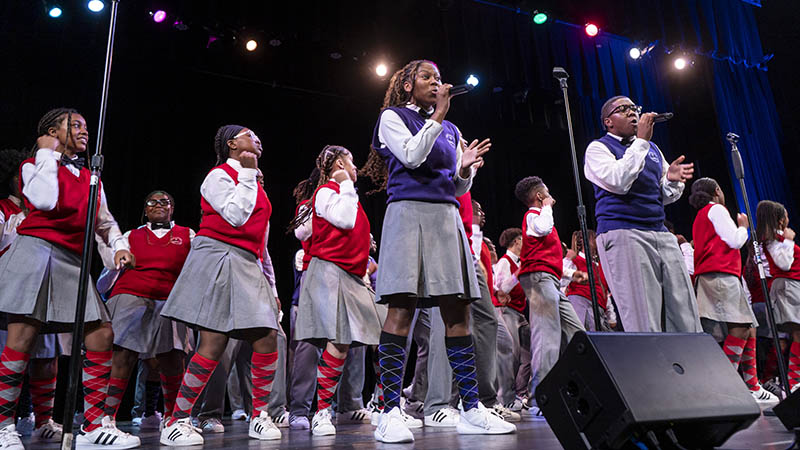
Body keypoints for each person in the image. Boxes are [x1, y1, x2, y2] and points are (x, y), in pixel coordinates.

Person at [361, 59, 513, 443]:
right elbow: (411, 156)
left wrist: (465, 168)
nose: (436, 83)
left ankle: (471, 409)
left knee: (457, 311)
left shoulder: (450, 130)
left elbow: (458, 189)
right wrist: (439, 117)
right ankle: (389, 411)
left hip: (446, 218)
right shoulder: (392, 117)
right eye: (427, 77)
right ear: (407, 85)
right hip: (407, 213)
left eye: (439, 78)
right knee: (401, 310)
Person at [0, 108, 140, 449]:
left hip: (73, 260)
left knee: (101, 333)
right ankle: (3, 425)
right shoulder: (33, 166)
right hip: (37, 253)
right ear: (52, 130)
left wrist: (119, 246)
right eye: (74, 125)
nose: (84, 131)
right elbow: (46, 200)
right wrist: (46, 151)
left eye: (85, 127)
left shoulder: (91, 177)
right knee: (23, 336)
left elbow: (104, 222)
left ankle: (93, 426)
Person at [159, 125, 281, 445]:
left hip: (248, 263)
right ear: (231, 143)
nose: (257, 139)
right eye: (249, 135)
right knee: (213, 343)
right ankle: (177, 419)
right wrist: (249, 175)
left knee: (267, 335)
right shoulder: (218, 175)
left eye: (258, 136)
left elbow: (261, 243)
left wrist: (273, 289)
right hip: (218, 256)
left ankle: (259, 414)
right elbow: (236, 216)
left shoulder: (255, 184)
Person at [583, 95, 700, 332]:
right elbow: (619, 182)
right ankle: (652, 367)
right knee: (645, 318)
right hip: (624, 232)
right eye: (622, 109)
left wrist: (671, 180)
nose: (631, 112)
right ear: (608, 122)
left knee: (684, 313)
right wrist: (641, 143)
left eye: (633, 108)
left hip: (659, 231)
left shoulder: (652, 149)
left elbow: (663, 196)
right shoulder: (598, 148)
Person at [291, 145, 385, 436]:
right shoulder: (325, 192)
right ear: (341, 163)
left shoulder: (345, 194)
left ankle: (386, 404)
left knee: (382, 332)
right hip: (329, 271)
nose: (357, 169)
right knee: (338, 341)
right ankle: (320, 412)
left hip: (352, 276)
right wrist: (345, 183)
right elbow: (343, 220)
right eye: (353, 163)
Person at [100, 191, 193, 426]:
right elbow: (107, 277)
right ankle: (106, 418)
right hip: (132, 294)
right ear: (145, 210)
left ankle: (175, 420)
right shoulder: (131, 236)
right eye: (153, 202)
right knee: (123, 356)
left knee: (172, 357)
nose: (159, 205)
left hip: (170, 299)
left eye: (165, 202)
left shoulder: (188, 235)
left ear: (172, 208)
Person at [689, 179, 777, 403]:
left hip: (724, 275)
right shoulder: (716, 209)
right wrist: (744, 227)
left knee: (751, 328)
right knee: (739, 328)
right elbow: (735, 241)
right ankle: (727, 388)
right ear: (717, 190)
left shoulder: (701, 215)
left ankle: (752, 386)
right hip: (719, 275)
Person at [514, 176, 585, 395]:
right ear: (539, 195)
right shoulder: (534, 216)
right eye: (547, 192)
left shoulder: (540, 219)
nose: (551, 196)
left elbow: (547, 259)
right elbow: (542, 229)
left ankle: (576, 384)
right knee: (546, 333)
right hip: (538, 280)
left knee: (577, 332)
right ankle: (540, 395)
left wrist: (571, 274)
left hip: (549, 279)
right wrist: (546, 207)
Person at [758, 200, 800, 392]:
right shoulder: (773, 239)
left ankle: (794, 381)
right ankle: (793, 382)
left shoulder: (778, 238)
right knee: (797, 335)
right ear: (781, 219)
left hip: (793, 286)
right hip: (788, 288)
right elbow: (784, 263)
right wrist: (790, 241)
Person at [493, 228, 532, 413]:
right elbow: (501, 289)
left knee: (530, 353)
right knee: (512, 353)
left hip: (520, 313)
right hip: (506, 311)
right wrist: (520, 273)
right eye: (522, 240)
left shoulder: (520, 262)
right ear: (516, 241)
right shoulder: (504, 262)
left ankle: (521, 393)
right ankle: (505, 398)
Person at [564, 230, 615, 331]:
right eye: (595, 239)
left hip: (598, 308)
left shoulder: (600, 265)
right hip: (581, 304)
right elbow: (561, 279)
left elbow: (604, 290)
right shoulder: (574, 259)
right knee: (585, 339)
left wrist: (611, 316)